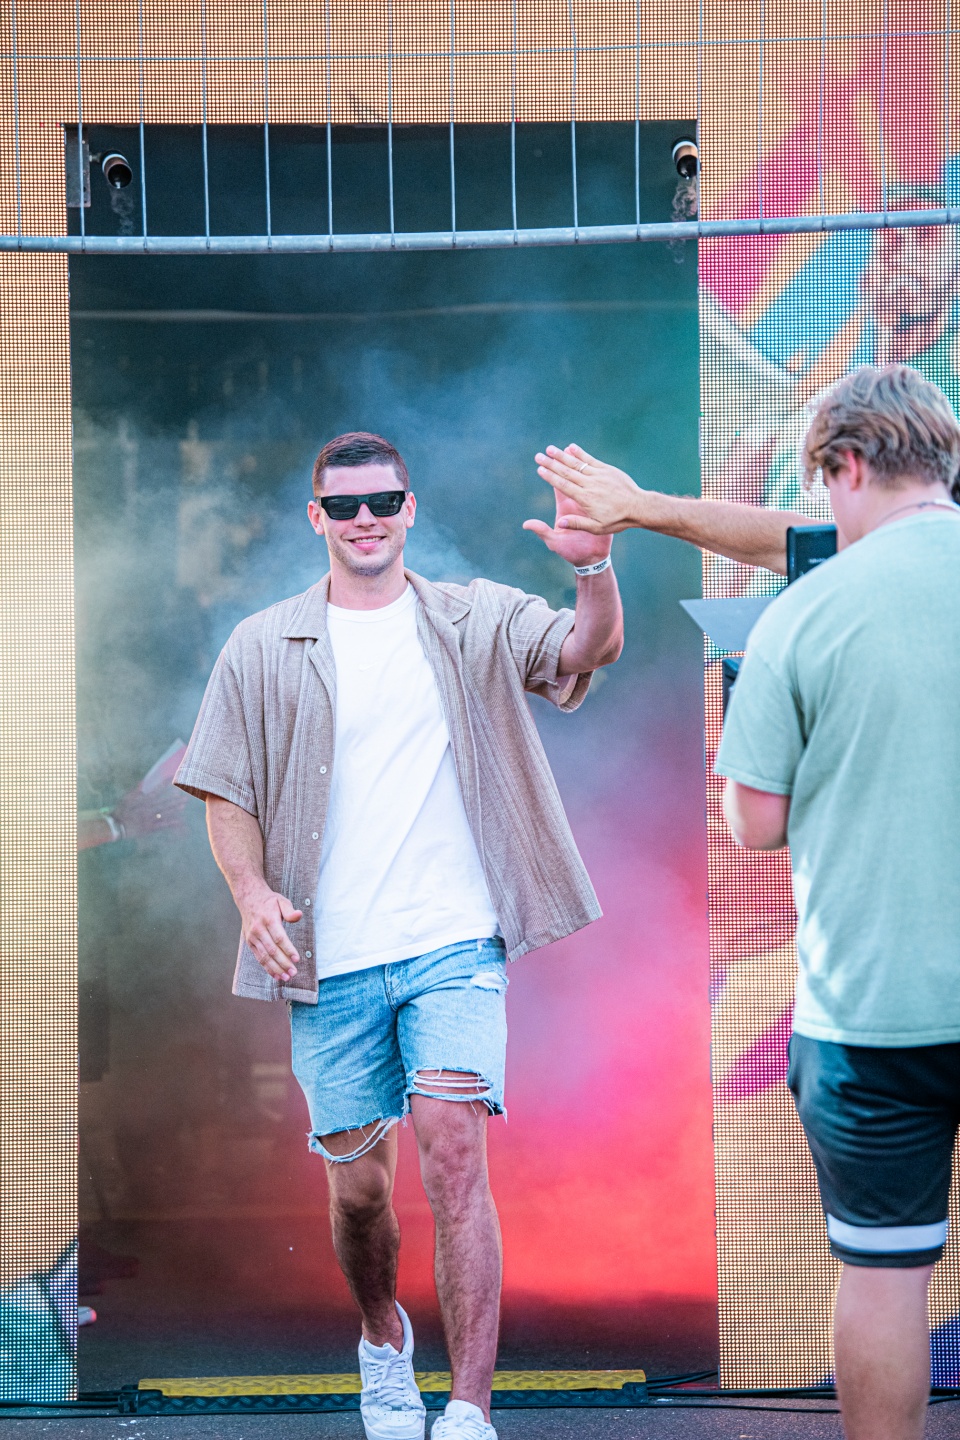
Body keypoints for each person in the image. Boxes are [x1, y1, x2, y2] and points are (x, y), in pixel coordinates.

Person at [174, 431, 623, 1440]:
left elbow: (587, 651)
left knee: (453, 1150)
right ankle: (383, 1338)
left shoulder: (474, 615)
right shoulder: (263, 644)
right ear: (317, 519)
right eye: (345, 506)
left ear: (410, 509)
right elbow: (223, 789)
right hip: (330, 958)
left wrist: (594, 567)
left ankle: (468, 1408)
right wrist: (251, 892)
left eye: (383, 501)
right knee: (361, 1192)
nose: (366, 519)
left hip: (453, 941)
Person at [712, 365, 960, 1440]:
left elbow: (753, 823)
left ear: (847, 465)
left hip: (868, 1014)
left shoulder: (802, 615)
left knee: (884, 1275)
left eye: (823, 487)